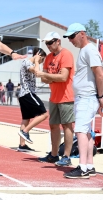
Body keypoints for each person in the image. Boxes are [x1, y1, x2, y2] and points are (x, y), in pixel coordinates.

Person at [62, 23, 103, 179]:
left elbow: (100, 75)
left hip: (88, 97)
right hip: (85, 97)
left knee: (80, 130)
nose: (70, 40)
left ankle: (83, 167)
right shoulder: (85, 50)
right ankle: (90, 166)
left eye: (72, 36)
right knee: (86, 132)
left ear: (82, 34)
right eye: (69, 37)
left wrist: (101, 97)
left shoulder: (90, 50)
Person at [35, 32, 75, 167]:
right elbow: (43, 78)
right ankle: (53, 154)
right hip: (54, 97)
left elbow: (64, 77)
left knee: (67, 126)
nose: (48, 46)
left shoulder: (66, 54)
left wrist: (47, 75)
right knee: (53, 126)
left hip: (66, 96)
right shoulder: (48, 58)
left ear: (58, 41)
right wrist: (51, 76)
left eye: (50, 42)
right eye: (46, 43)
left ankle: (67, 156)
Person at [17, 48, 49, 152]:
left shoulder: (28, 63)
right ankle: (25, 131)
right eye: (42, 59)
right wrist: (36, 61)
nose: (41, 61)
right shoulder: (27, 62)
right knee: (44, 114)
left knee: (26, 119)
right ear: (37, 55)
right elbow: (36, 72)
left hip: (24, 94)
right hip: (27, 93)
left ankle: (22, 145)